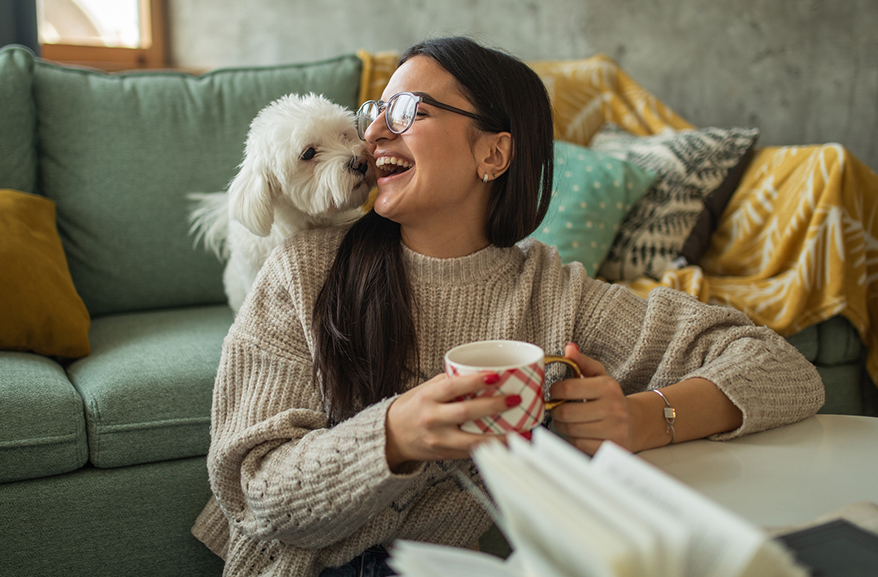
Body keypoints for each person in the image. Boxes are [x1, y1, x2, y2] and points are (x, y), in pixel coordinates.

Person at [192, 36, 824, 577]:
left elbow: (778, 367)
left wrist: (638, 418)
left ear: (492, 153)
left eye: (407, 110)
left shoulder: (554, 294)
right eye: (375, 109)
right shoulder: (306, 269)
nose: (373, 131)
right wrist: (393, 436)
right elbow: (253, 490)